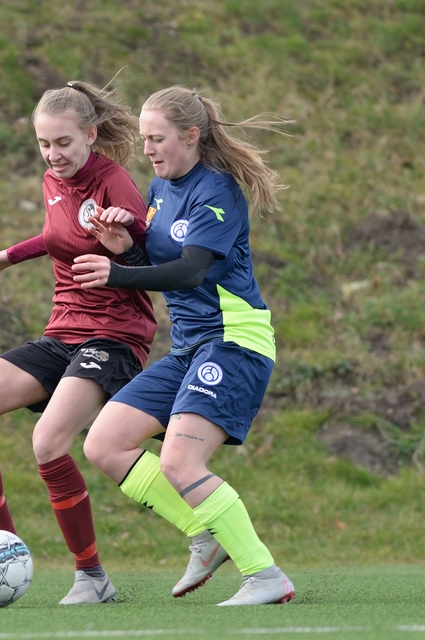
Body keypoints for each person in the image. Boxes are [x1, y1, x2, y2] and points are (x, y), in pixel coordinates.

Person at [72, 85, 296, 606]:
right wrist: (124, 250)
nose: (148, 149)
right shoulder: (159, 188)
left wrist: (115, 275)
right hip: (191, 348)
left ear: (192, 136)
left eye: (158, 138)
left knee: (179, 461)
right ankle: (204, 534)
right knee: (105, 443)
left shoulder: (216, 189)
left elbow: (192, 270)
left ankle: (264, 575)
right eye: (144, 138)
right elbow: (160, 266)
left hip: (235, 341)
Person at [0, 80, 157, 605]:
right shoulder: (52, 180)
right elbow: (60, 234)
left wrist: (125, 240)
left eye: (63, 143)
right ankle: (1, 547)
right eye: (44, 144)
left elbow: (152, 261)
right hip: (62, 333)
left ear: (90, 135)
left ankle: (92, 577)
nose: (53, 155)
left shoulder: (114, 182)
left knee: (47, 443)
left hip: (114, 336)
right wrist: (11, 254)